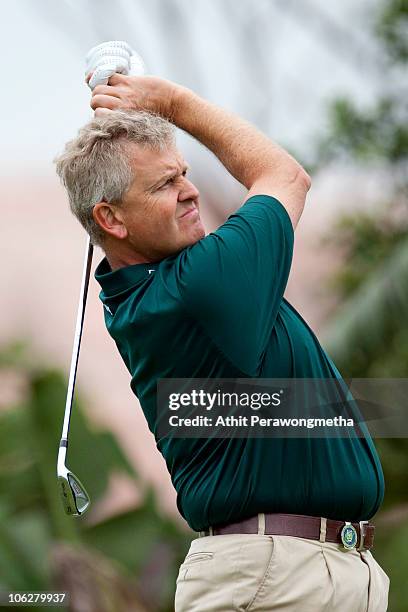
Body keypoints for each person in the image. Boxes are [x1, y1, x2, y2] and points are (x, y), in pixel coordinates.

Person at [55, 74, 389, 611]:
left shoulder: (170, 288)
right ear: (109, 218)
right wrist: (174, 103)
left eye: (183, 173)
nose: (188, 190)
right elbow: (285, 176)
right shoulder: (199, 284)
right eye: (164, 184)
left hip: (302, 573)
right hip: (272, 578)